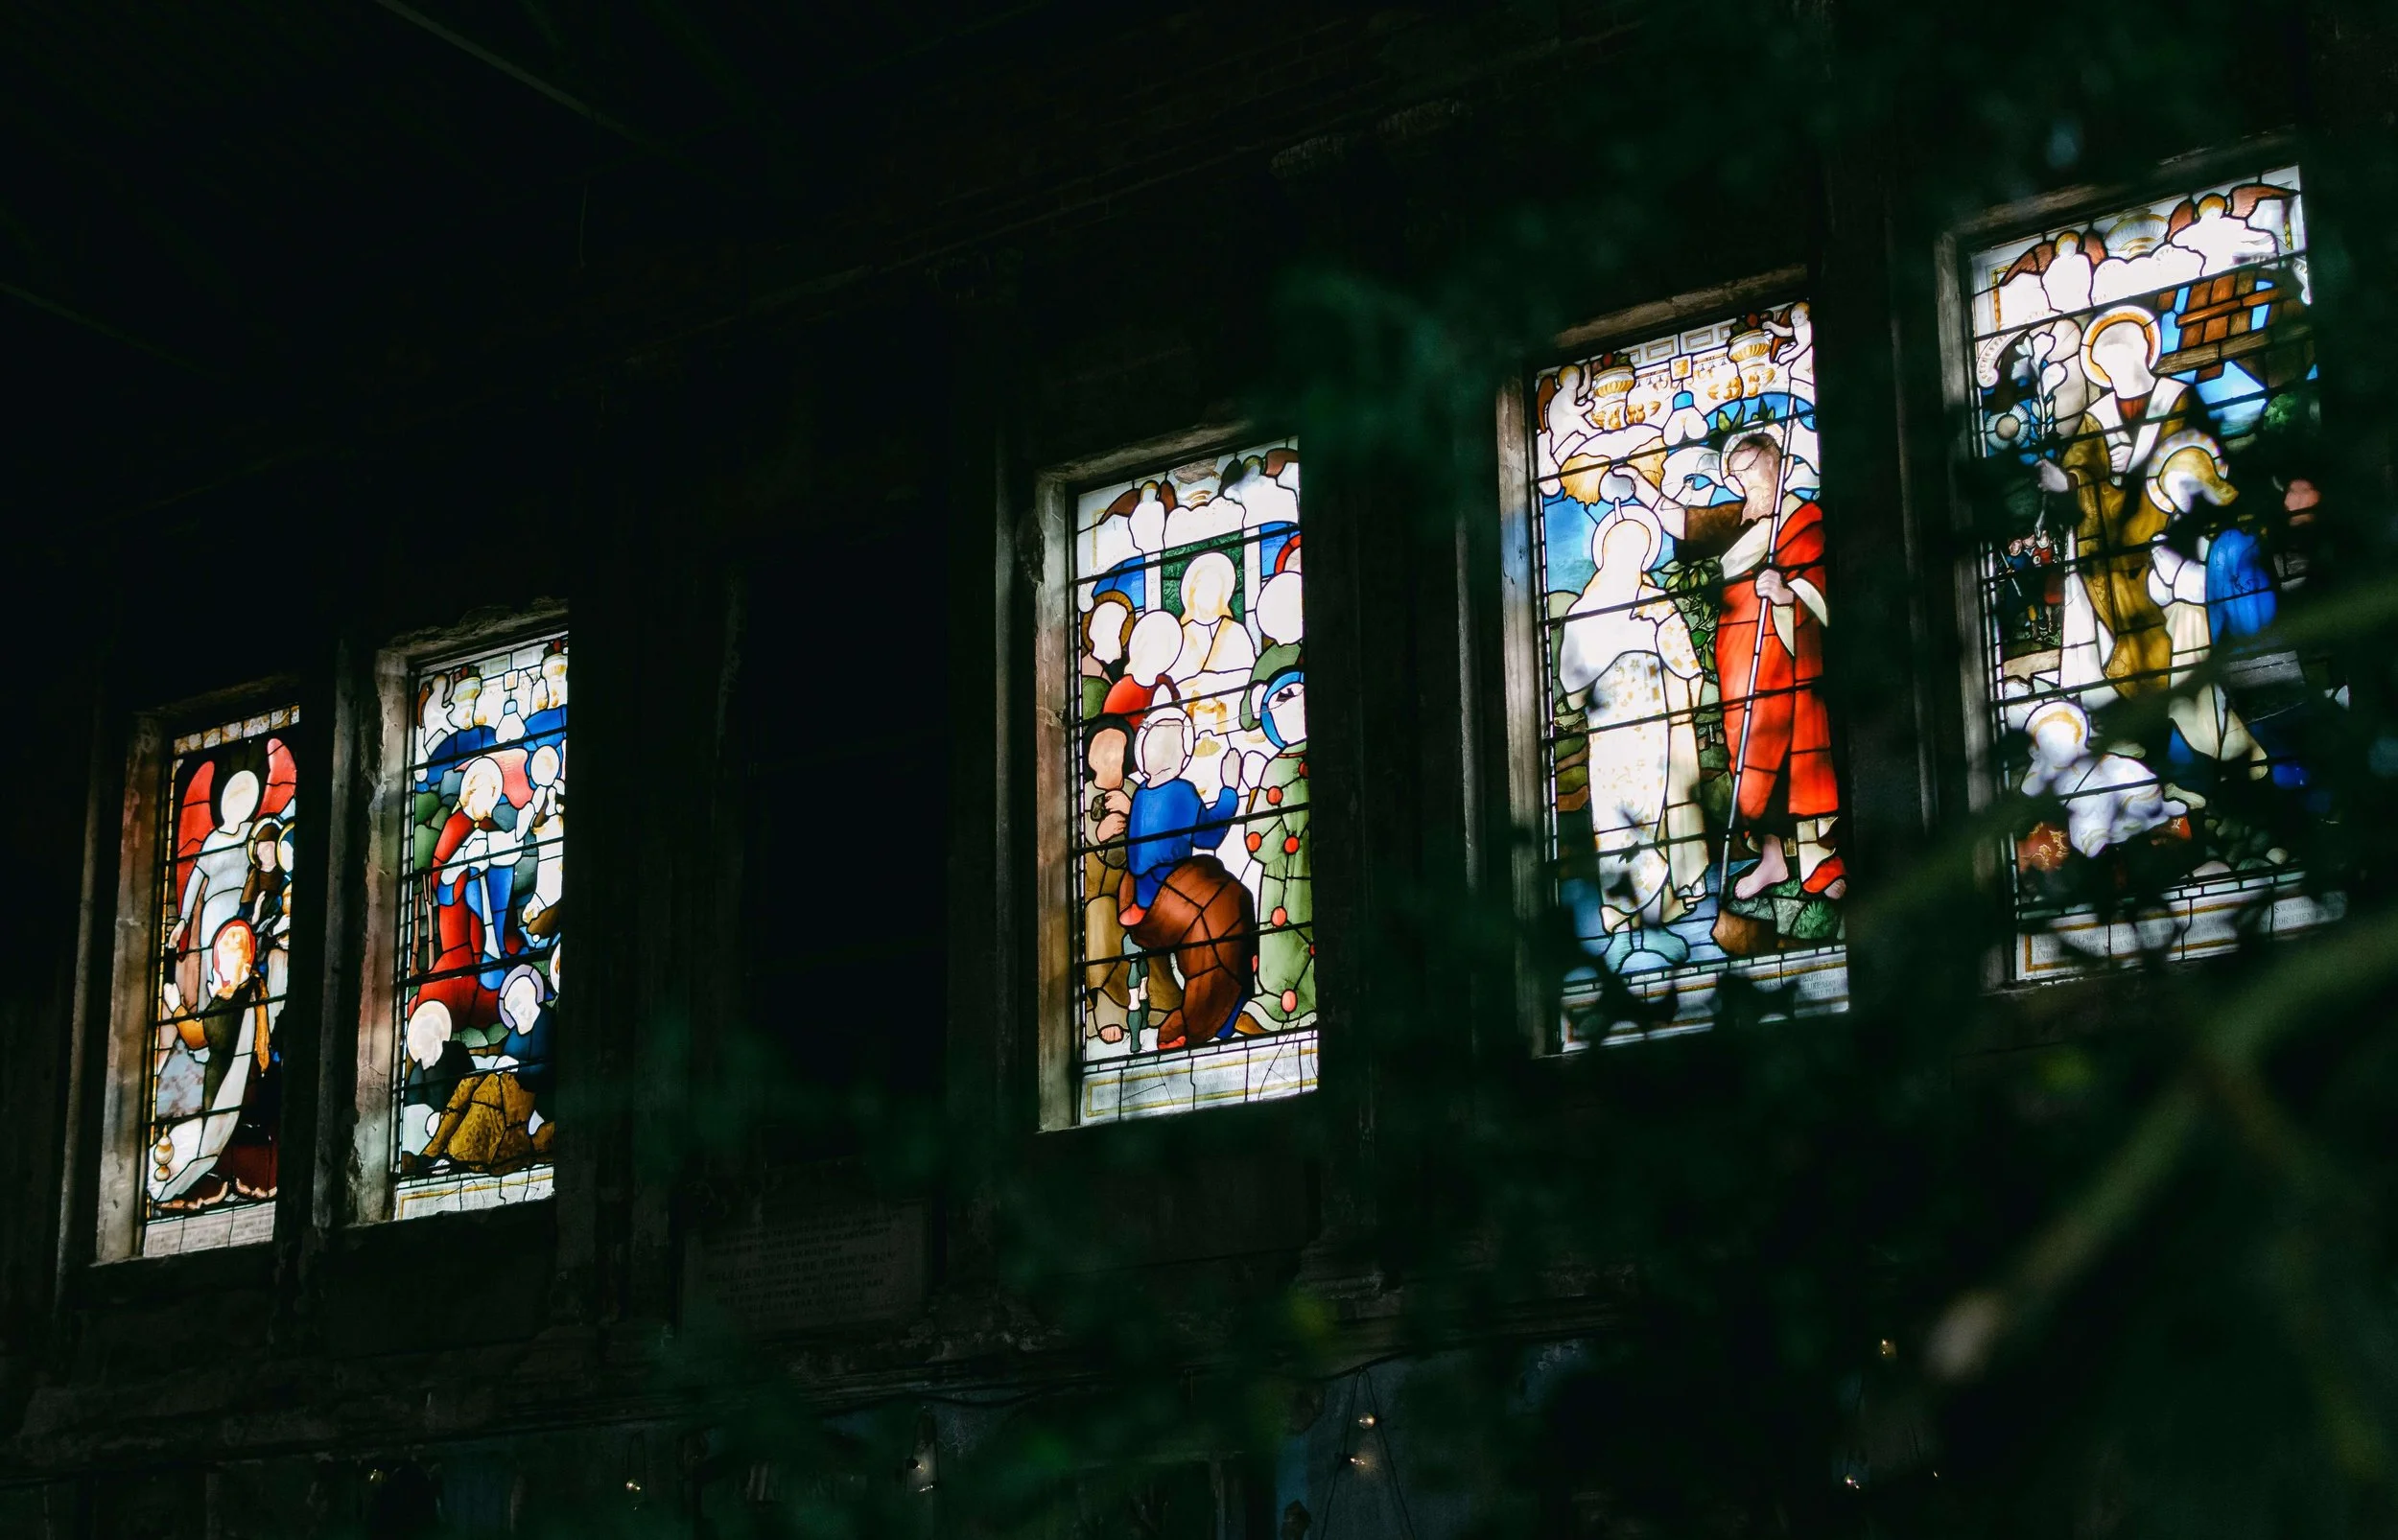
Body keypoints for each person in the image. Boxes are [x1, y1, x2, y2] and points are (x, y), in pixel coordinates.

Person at [2035, 304, 2198, 695]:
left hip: (2168, 522)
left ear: (2143, 350)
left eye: (2121, 356)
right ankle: (2136, 687)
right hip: (2111, 537)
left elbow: (2193, 455)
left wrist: (2141, 464)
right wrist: (2068, 480)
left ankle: (2167, 684)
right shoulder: (2098, 415)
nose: (2115, 371)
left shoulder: (2177, 398)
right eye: (2107, 364)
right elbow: (2081, 465)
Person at [1556, 515, 1709, 931]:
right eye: (1620, 548)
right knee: (1613, 819)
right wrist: (1620, 643)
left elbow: (1687, 667)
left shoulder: (1658, 604)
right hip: (1609, 732)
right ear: (1605, 552)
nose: (1629, 558)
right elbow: (1572, 684)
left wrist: (1656, 640)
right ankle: (1623, 907)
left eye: (1638, 551)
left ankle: (1658, 901)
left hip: (1653, 728)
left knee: (1650, 810)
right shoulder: (1584, 611)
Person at [1715, 433, 1842, 901]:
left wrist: (1789, 595)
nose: (1745, 480)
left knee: (1801, 751)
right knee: (1751, 753)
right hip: (1740, 658)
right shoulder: (1735, 522)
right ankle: (1772, 856)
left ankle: (1820, 861)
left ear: (1778, 465)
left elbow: (1824, 587)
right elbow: (1684, 525)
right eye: (1737, 472)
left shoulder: (1804, 521)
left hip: (1792, 658)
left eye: (1752, 467)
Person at [1119, 708, 1255, 1051]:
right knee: (1230, 905)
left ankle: (1221, 1007)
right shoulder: (1180, 791)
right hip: (1168, 896)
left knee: (1224, 895)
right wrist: (1230, 790)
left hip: (1147, 895)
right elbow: (1210, 836)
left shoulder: (1141, 795)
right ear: (1182, 755)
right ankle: (1214, 1015)